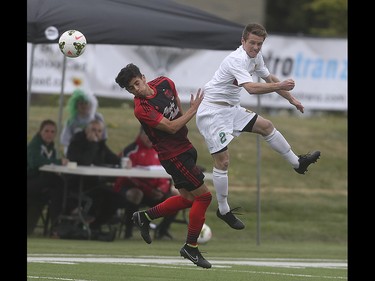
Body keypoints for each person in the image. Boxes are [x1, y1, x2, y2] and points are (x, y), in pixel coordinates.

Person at [195, 23, 321, 230]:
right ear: (242, 41)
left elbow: (269, 78)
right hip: (212, 112)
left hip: (230, 109)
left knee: (267, 126)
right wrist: (280, 86)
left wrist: (292, 99)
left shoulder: (256, 57)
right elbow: (252, 89)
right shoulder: (236, 59)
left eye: (259, 44)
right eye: (252, 43)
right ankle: (224, 209)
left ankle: (298, 163)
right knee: (223, 161)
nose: (255, 47)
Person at [115, 63, 213, 269]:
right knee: (204, 197)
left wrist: (186, 113)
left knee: (187, 199)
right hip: (173, 155)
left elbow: (176, 107)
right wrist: (194, 110)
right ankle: (190, 247)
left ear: (143, 77)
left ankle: (144, 216)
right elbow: (172, 126)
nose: (136, 90)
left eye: (136, 84)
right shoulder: (141, 108)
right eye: (131, 89)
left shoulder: (165, 83)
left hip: (184, 147)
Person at [113, 127, 179, 240]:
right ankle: (128, 231)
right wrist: (150, 190)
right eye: (147, 135)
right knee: (136, 194)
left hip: (156, 191)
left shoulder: (161, 151)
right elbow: (126, 176)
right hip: (136, 190)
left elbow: (167, 174)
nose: (149, 138)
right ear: (141, 134)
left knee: (177, 196)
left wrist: (162, 189)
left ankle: (162, 231)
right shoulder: (131, 150)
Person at [66, 119, 120, 239]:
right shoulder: (77, 142)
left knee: (117, 197)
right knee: (101, 196)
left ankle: (96, 225)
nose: (96, 134)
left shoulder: (100, 144)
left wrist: (126, 161)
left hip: (94, 183)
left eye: (99, 131)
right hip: (77, 184)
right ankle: (88, 228)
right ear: (86, 130)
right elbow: (86, 161)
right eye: (93, 130)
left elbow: (113, 159)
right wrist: (92, 144)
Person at [27, 119, 69, 236]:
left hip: (42, 182)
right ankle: (57, 225)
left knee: (56, 190)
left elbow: (50, 163)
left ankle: (56, 226)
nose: (49, 134)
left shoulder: (52, 149)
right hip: (30, 180)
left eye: (52, 132)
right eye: (46, 131)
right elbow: (35, 162)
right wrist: (58, 162)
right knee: (58, 183)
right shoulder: (34, 146)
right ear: (40, 132)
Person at [60, 89, 107, 154]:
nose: (84, 106)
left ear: (91, 105)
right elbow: (65, 140)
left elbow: (103, 137)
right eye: (81, 103)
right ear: (76, 105)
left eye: (86, 103)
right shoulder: (71, 121)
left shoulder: (98, 118)